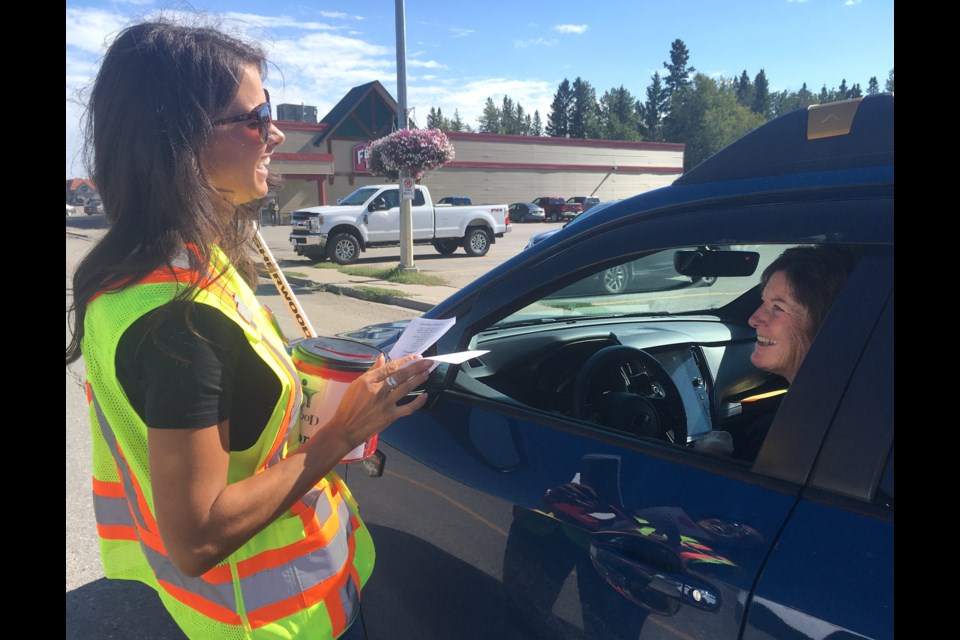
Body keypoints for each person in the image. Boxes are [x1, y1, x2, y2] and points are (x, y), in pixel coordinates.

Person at [64, 19, 432, 639]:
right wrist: (346, 430)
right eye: (256, 117)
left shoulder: (165, 271)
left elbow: (232, 390)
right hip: (271, 621)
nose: (276, 132)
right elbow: (198, 537)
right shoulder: (180, 319)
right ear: (180, 140)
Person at [726, 244, 859, 461]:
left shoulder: (790, 434)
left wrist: (710, 455)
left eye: (778, 308)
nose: (753, 319)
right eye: (763, 302)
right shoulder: (846, 402)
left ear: (827, 322)